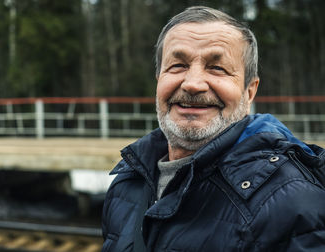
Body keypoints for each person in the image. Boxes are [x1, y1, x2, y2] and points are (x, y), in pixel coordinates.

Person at [102, 6, 325, 251]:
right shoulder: (127, 181)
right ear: (159, 81)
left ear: (249, 91)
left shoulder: (291, 202)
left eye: (217, 68)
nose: (193, 84)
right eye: (178, 65)